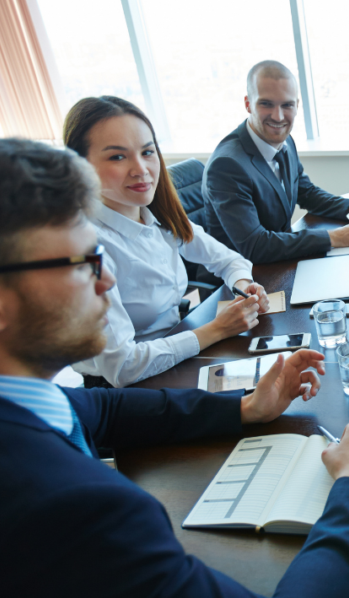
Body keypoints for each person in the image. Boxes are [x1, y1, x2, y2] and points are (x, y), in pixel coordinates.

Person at [0, 138, 349, 598]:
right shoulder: (70, 512)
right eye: (85, 264)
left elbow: (92, 408)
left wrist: (244, 407)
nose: (108, 281)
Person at [63, 96, 267, 387]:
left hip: (178, 353)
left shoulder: (157, 215)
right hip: (128, 389)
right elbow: (123, 367)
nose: (141, 169)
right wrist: (216, 330)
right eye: (117, 157)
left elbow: (229, 260)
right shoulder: (87, 250)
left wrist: (245, 286)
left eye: (147, 152)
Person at [203, 60, 349, 262]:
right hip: (244, 280)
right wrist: (333, 238)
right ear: (248, 104)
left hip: (281, 261)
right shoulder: (227, 166)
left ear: (297, 105)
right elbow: (255, 246)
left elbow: (306, 192)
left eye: (287, 105)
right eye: (266, 104)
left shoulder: (285, 140)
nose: (278, 117)